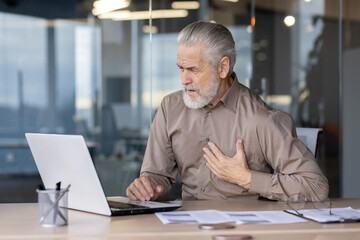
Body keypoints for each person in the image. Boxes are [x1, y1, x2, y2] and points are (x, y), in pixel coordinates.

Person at [126, 21, 329, 202]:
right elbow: (156, 175)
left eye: (193, 70)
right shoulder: (170, 108)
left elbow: (316, 186)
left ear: (223, 68)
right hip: (185, 228)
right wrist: (147, 185)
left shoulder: (261, 119)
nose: (184, 80)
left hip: (245, 230)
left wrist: (246, 178)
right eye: (181, 68)